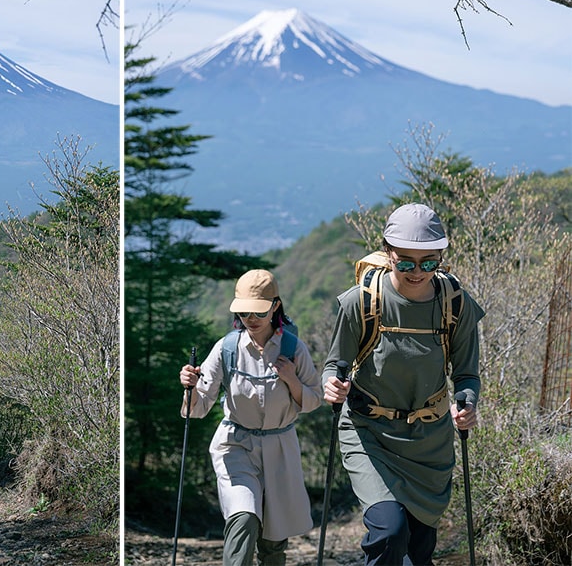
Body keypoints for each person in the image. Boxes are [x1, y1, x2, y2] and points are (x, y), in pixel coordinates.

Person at [322, 203, 483, 565]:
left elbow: (466, 374)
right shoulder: (361, 302)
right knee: (389, 532)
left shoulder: (455, 304)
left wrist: (466, 402)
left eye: (428, 263)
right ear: (388, 253)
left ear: (441, 257)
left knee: (418, 550)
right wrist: (332, 384)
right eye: (405, 262)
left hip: (429, 443)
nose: (416, 272)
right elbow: (335, 364)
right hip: (369, 433)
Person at [179, 269, 323, 566]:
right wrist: (189, 387)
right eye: (243, 312)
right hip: (235, 445)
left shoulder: (294, 350)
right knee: (243, 519)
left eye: (257, 312)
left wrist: (292, 380)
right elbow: (199, 407)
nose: (250, 319)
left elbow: (314, 400)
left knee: (273, 540)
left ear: (276, 306)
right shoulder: (227, 349)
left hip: (280, 448)